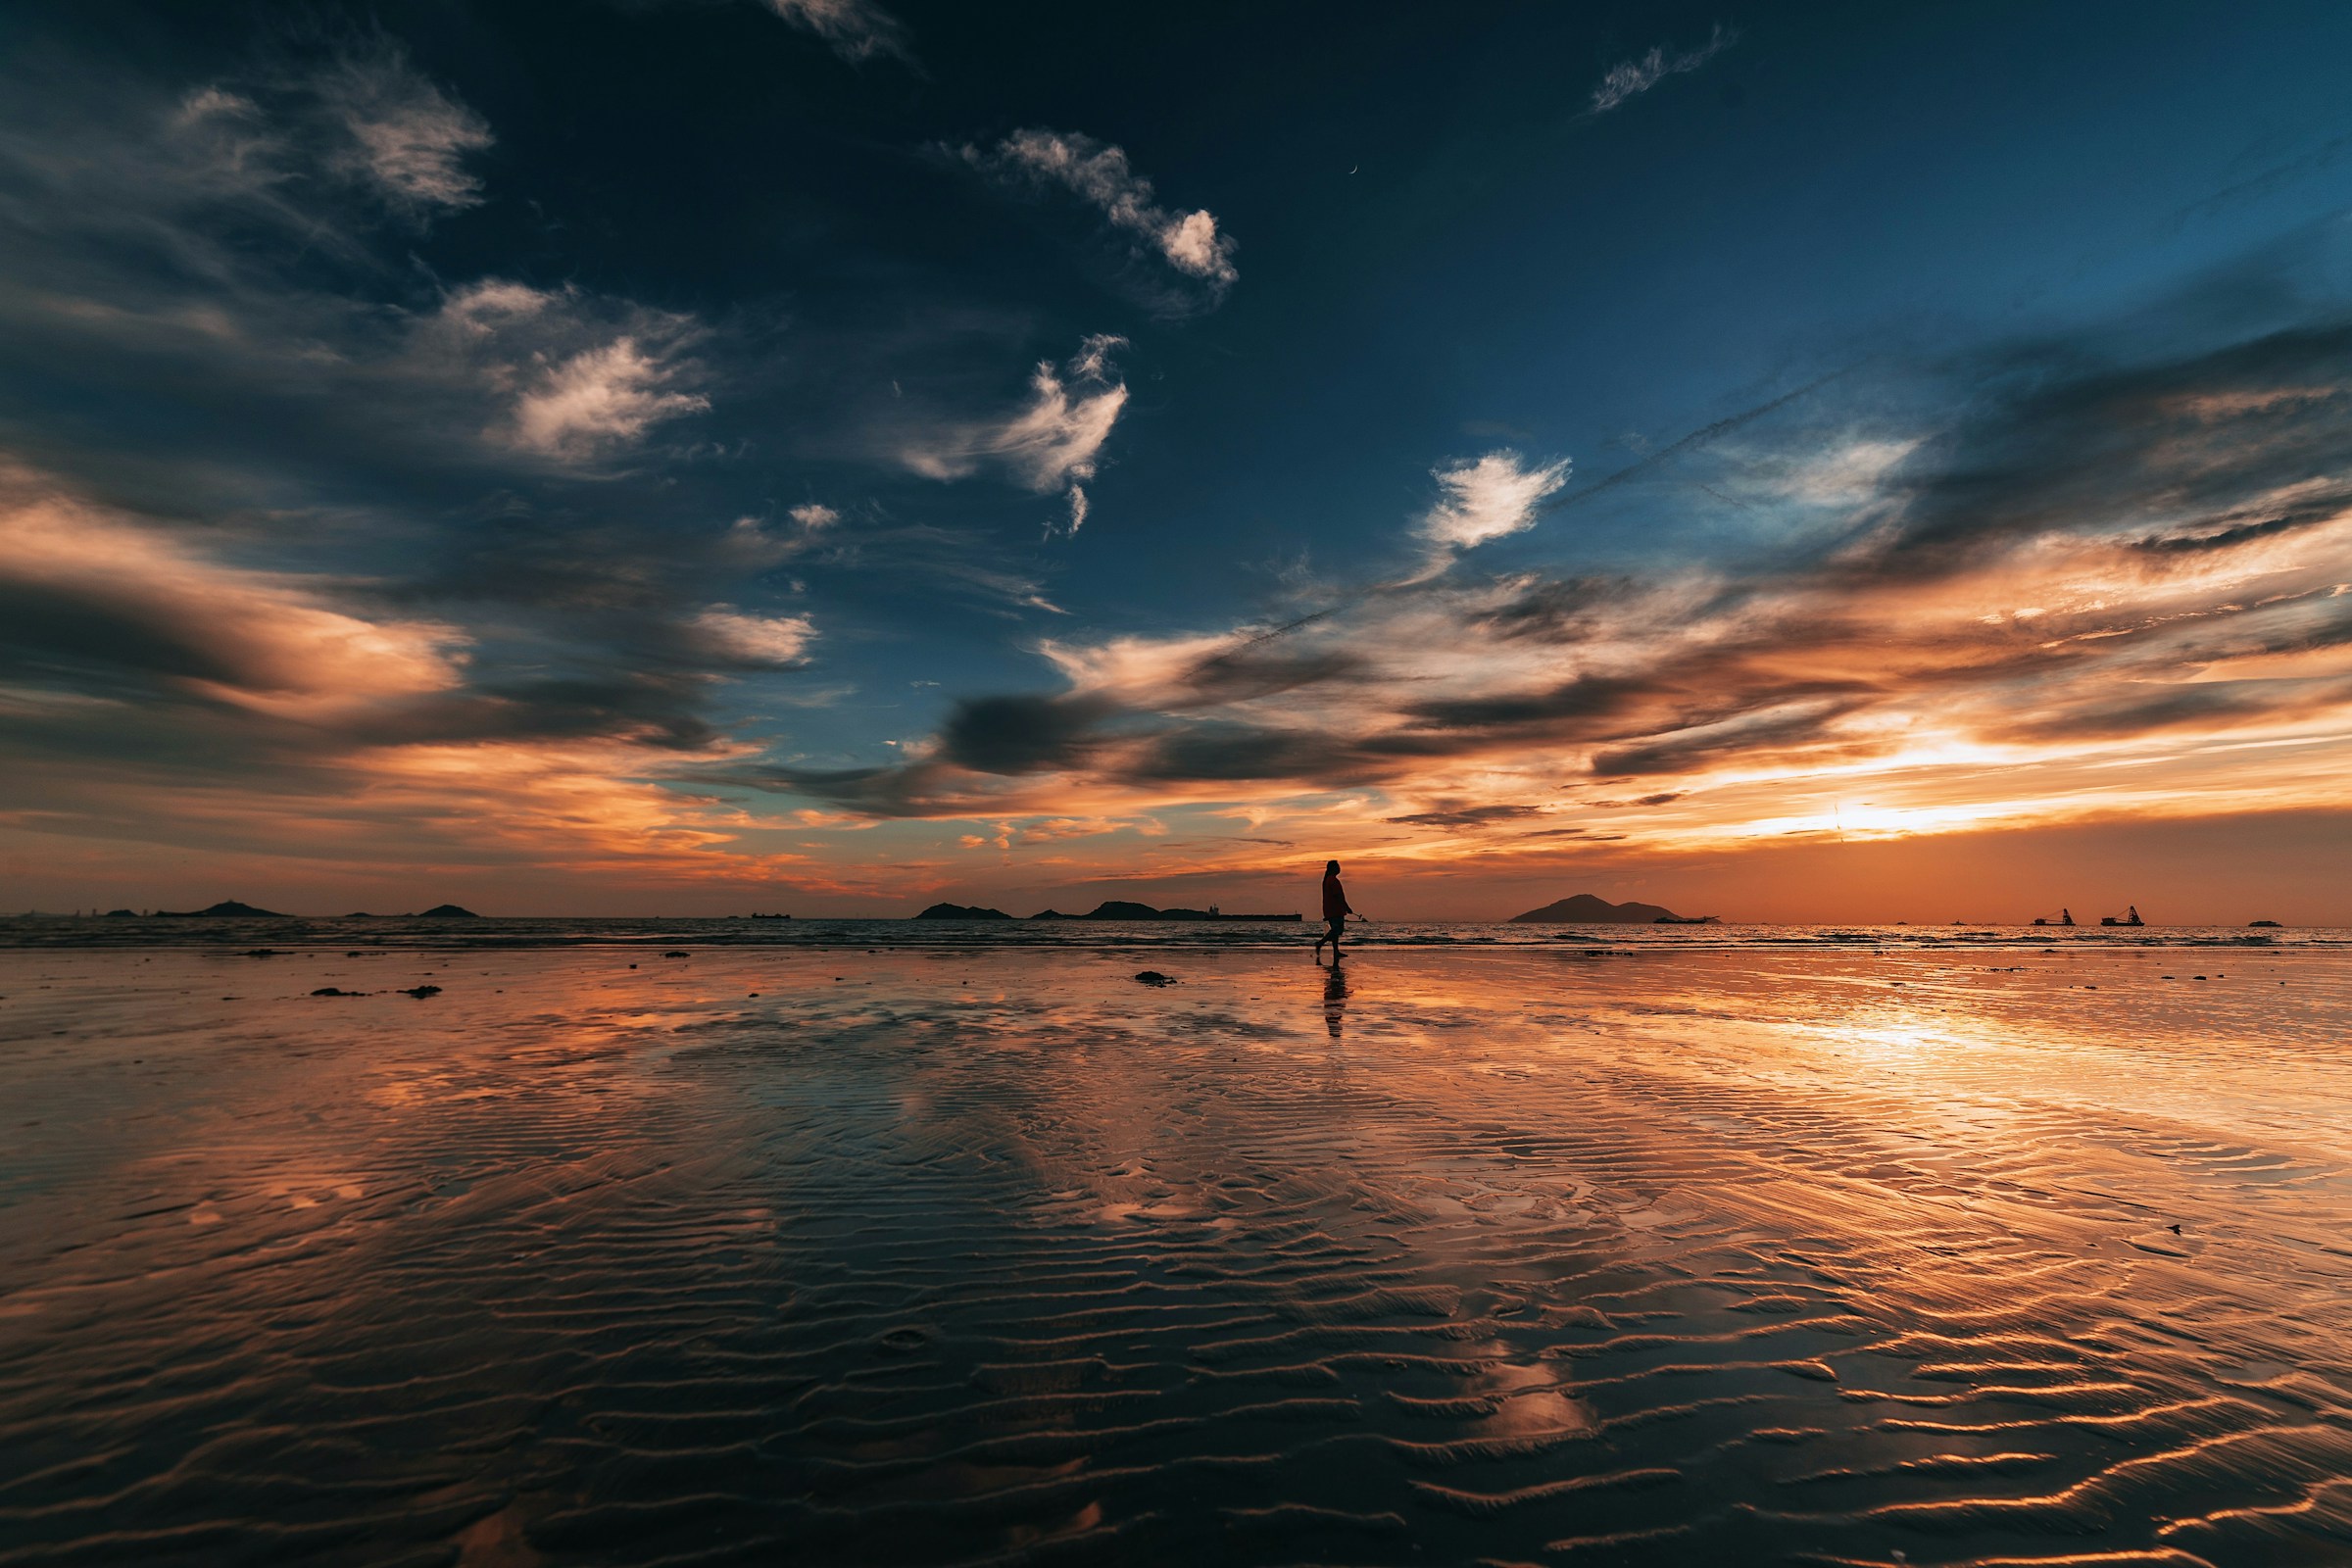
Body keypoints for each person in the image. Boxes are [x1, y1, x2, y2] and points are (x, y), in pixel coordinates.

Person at [1313, 859, 1355, 961]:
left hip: (1331, 909)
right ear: (1333, 868)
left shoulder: (1329, 879)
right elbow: (1338, 896)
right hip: (1335, 909)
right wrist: (1346, 907)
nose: (1339, 868)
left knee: (1335, 932)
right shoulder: (1332, 880)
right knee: (1336, 930)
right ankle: (1320, 943)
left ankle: (1335, 951)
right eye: (1337, 866)